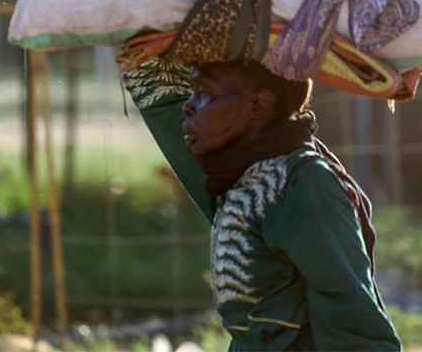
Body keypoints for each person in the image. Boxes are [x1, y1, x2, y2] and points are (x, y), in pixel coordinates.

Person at [122, 56, 402, 352]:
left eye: (205, 93)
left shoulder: (304, 184)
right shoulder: (236, 176)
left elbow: (351, 314)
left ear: (259, 105)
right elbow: (158, 93)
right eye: (192, 92)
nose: (187, 107)